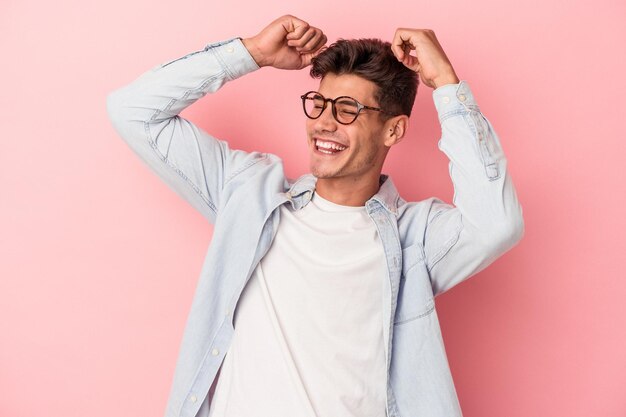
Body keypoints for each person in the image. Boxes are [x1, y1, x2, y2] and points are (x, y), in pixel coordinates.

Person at [107, 14, 524, 417]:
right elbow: (132, 110)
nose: (324, 123)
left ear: (393, 130)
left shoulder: (415, 239)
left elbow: (496, 223)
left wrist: (447, 85)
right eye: (319, 103)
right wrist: (251, 52)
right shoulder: (248, 195)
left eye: (347, 110)